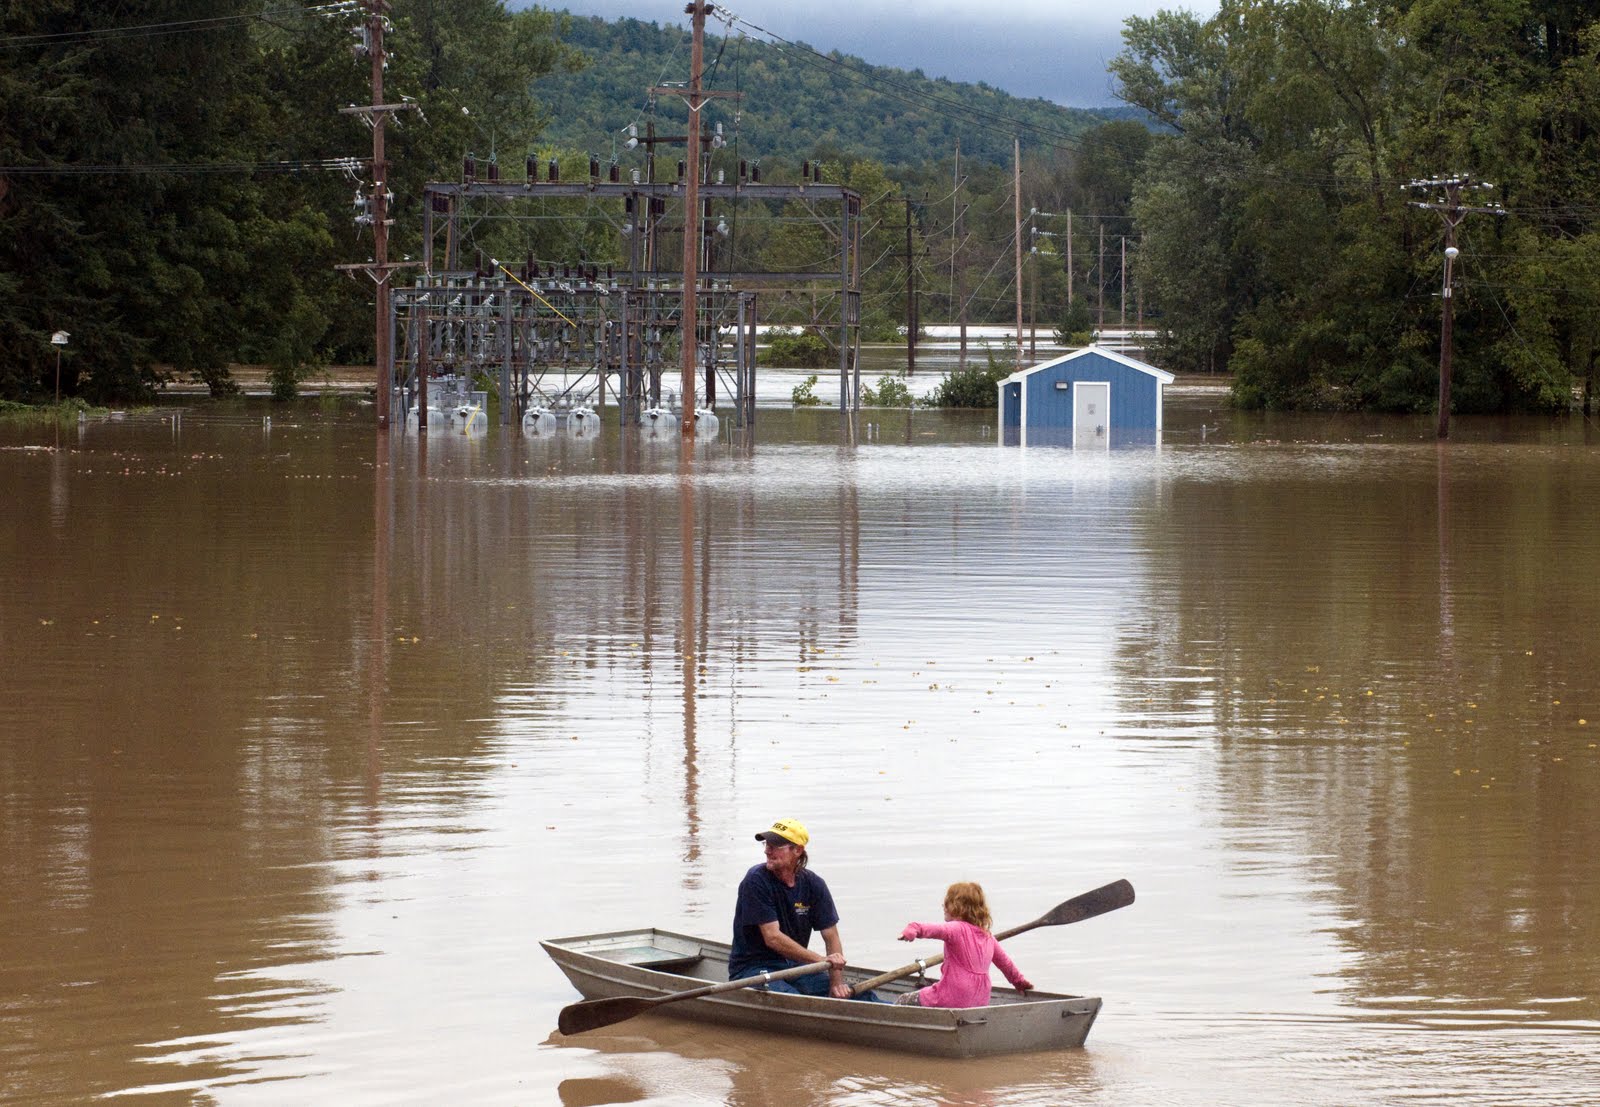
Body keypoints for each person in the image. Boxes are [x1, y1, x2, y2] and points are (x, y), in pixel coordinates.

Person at [728, 818, 880, 1000]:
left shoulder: (814, 884)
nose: (767, 850)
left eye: (776, 845)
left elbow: (831, 937)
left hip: (795, 966)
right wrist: (820, 960)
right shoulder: (756, 880)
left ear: (798, 850)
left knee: (862, 996)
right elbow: (773, 938)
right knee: (793, 999)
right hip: (753, 968)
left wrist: (836, 982)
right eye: (767, 844)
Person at [894, 881, 1032, 1007]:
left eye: (947, 902)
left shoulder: (956, 928)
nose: (943, 906)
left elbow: (928, 929)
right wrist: (1019, 982)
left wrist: (912, 929)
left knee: (903, 1000)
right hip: (981, 999)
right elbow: (1006, 964)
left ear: (958, 907)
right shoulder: (988, 936)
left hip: (951, 995)